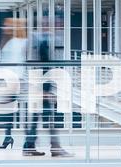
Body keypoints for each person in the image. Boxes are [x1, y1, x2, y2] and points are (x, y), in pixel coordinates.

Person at [21, 28, 73, 157]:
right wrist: (44, 90)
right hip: (40, 88)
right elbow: (42, 67)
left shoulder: (39, 42)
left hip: (38, 88)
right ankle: (53, 148)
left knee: (38, 118)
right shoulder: (41, 44)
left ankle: (30, 147)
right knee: (48, 118)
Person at [0, 18, 28, 151]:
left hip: (15, 81)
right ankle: (9, 137)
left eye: (7, 26)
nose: (4, 28)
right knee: (10, 111)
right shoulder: (9, 41)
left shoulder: (20, 42)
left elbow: (18, 63)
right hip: (9, 80)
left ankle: (27, 141)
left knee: (18, 111)